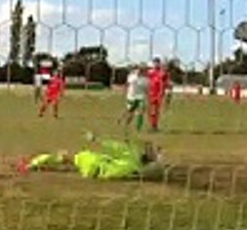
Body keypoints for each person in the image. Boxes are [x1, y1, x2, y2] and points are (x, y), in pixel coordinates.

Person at [19, 133, 160, 180]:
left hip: (94, 162)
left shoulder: (131, 152)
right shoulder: (138, 169)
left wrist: (94, 138)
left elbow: (112, 145)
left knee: (65, 156)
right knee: (71, 163)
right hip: (97, 174)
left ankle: (31, 165)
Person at [120, 64, 149, 131]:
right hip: (131, 97)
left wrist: (147, 97)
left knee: (141, 111)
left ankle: (138, 128)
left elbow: (146, 90)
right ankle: (126, 124)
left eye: (144, 70)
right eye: (141, 70)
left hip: (140, 97)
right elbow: (127, 84)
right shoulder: (132, 76)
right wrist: (124, 91)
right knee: (130, 113)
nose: (141, 71)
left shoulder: (146, 80)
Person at [147, 58, 168, 131]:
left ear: (159, 63)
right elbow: (147, 81)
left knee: (156, 110)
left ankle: (154, 125)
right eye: (155, 63)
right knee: (151, 110)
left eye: (157, 63)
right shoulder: (150, 72)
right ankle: (152, 124)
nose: (156, 64)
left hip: (159, 94)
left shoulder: (162, 73)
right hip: (150, 93)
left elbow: (165, 82)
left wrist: (164, 91)